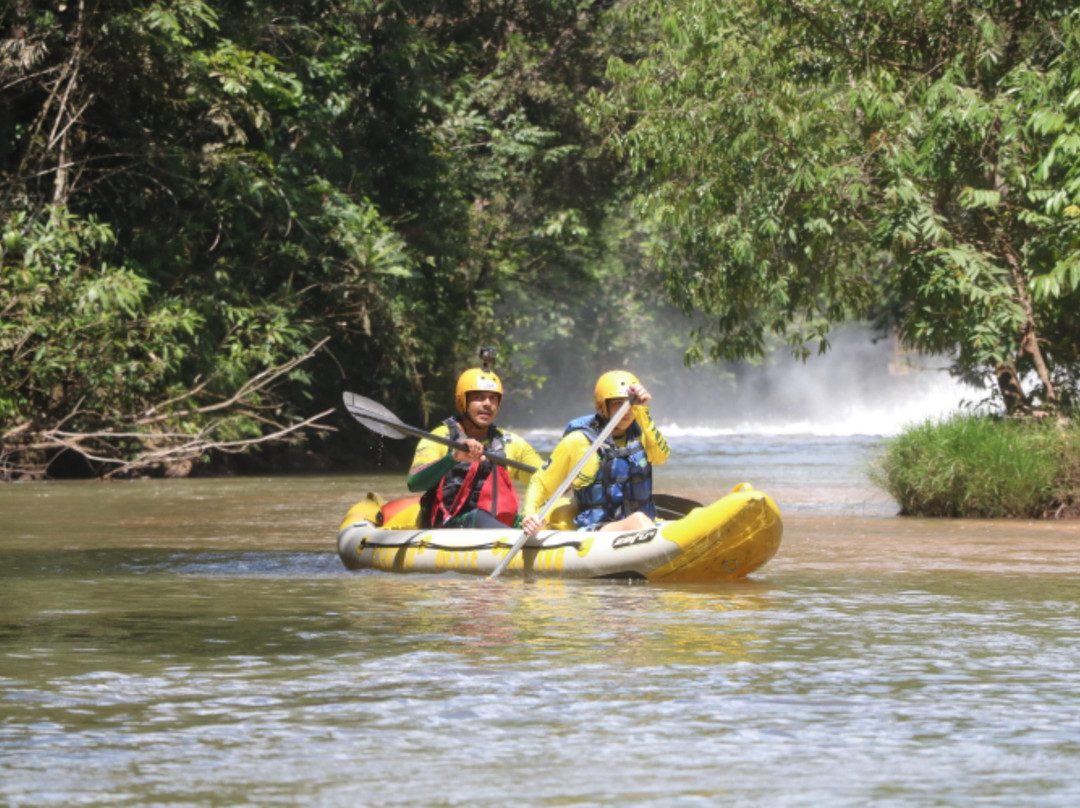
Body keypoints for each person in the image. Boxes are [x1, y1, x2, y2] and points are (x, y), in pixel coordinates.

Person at [522, 370, 670, 535]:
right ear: (602, 406)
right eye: (617, 403)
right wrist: (529, 513)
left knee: (643, 520)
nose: (626, 411)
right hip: (597, 530)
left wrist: (643, 410)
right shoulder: (579, 441)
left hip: (641, 524)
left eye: (630, 403)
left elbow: (661, 457)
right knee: (638, 521)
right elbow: (541, 482)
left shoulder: (642, 435)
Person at [407, 366, 543, 529]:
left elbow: (546, 479)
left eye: (493, 398)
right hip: (450, 526)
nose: (487, 404)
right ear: (462, 401)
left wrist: (532, 513)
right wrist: (453, 458)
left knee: (538, 518)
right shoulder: (440, 438)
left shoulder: (512, 443)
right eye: (479, 397)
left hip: (498, 527)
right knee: (479, 517)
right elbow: (414, 484)